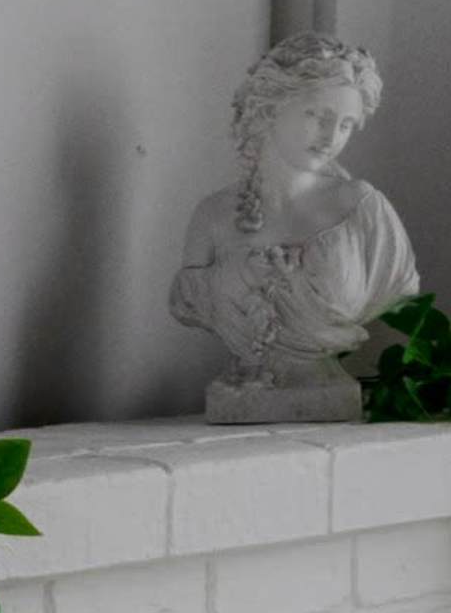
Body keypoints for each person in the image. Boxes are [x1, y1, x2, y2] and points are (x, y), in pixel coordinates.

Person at [169, 35, 419, 419]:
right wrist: (238, 275)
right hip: (241, 397)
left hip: (329, 390)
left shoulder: (363, 210)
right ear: (271, 107)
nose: (331, 137)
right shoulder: (212, 216)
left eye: (347, 124)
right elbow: (189, 301)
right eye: (317, 115)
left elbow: (401, 289)